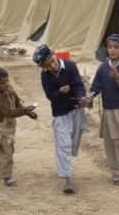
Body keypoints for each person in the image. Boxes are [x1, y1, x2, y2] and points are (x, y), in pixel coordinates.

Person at [33, 44, 90, 194]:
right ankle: (68, 179)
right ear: (42, 67)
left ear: (54, 53)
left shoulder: (70, 66)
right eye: (47, 65)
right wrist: (60, 92)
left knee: (72, 143)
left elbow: (78, 85)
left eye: (52, 60)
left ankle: (65, 167)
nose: (53, 65)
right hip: (60, 113)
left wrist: (81, 99)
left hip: (76, 110)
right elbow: (50, 96)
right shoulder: (45, 76)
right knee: (63, 144)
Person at [88, 34, 119, 186]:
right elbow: (95, 87)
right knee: (113, 143)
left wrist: (117, 76)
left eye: (116, 47)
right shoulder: (102, 68)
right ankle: (116, 172)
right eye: (110, 47)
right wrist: (87, 98)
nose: (112, 50)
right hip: (110, 112)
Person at [0, 67, 37, 186]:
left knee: (8, 151)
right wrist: (24, 110)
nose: (6, 84)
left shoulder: (10, 91)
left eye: (7, 81)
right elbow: (9, 112)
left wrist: (29, 112)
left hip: (10, 128)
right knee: (7, 153)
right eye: (2, 83)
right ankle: (7, 177)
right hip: (1, 130)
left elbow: (18, 103)